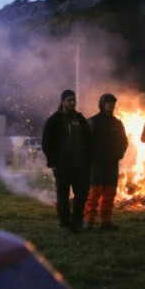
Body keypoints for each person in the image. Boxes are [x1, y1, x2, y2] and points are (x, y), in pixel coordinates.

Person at [42, 89, 92, 234]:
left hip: (80, 165)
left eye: (74, 100)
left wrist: (88, 160)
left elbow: (88, 141)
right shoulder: (54, 120)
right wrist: (53, 162)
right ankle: (65, 224)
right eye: (69, 100)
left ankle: (77, 222)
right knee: (62, 196)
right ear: (62, 102)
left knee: (81, 195)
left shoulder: (80, 120)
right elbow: (47, 143)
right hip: (62, 165)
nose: (72, 103)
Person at [85, 93, 128, 231]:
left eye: (113, 103)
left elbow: (123, 142)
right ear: (102, 104)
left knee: (109, 193)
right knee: (94, 192)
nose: (111, 105)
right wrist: (90, 157)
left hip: (112, 163)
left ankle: (106, 221)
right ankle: (89, 221)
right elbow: (85, 142)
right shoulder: (93, 122)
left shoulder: (117, 123)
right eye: (108, 102)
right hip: (96, 163)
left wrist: (120, 154)